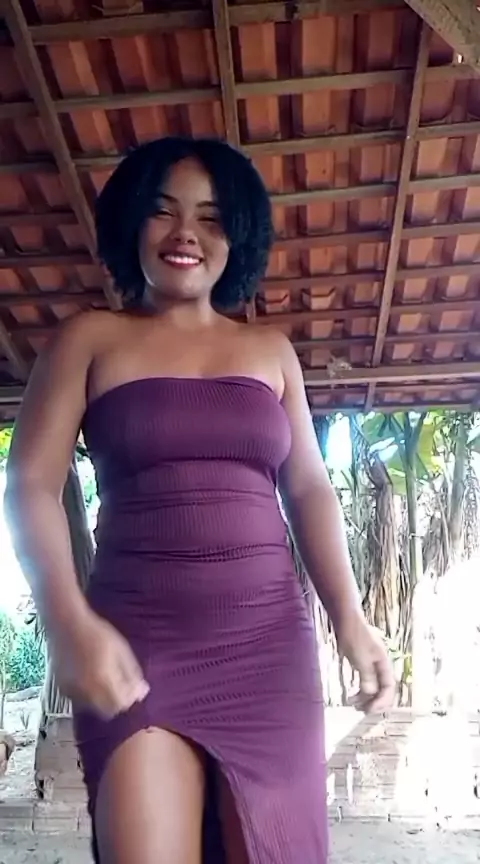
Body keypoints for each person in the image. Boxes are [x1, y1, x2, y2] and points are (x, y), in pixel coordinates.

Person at [5, 137, 395, 864]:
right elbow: (28, 483)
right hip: (138, 643)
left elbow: (308, 488)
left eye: (211, 218)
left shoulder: (271, 352)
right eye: (164, 212)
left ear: (237, 236)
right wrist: (67, 623)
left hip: (267, 649)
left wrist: (351, 616)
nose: (186, 233)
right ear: (132, 222)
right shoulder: (88, 340)